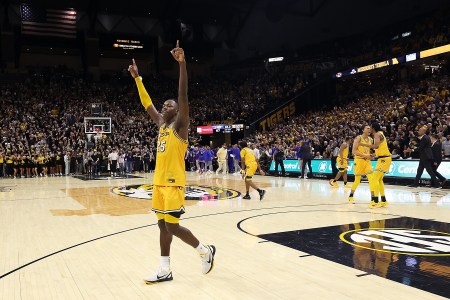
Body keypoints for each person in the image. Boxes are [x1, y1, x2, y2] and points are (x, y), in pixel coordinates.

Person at [129, 41, 215, 284]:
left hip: (174, 183)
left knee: (173, 227)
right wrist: (137, 79)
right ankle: (164, 268)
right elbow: (147, 103)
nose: (165, 105)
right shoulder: (161, 124)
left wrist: (182, 64)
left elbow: (183, 95)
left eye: (170, 105)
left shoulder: (180, 125)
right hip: (158, 184)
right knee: (162, 226)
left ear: (177, 112)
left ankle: (203, 250)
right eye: (164, 104)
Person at [359, 122, 391, 207]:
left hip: (384, 159)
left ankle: (375, 201)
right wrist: (370, 155)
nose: (369, 129)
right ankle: (383, 200)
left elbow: (376, 146)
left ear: (373, 128)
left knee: (374, 179)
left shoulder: (377, 134)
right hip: (383, 158)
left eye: (370, 127)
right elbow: (378, 150)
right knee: (379, 180)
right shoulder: (380, 134)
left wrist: (363, 144)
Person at [348, 125, 375, 206]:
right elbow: (353, 151)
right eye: (367, 128)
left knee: (371, 179)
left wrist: (372, 155)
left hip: (367, 161)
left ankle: (373, 199)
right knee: (357, 180)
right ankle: (351, 196)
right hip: (359, 160)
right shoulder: (358, 138)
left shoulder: (371, 139)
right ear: (363, 130)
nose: (369, 129)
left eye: (370, 128)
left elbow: (370, 150)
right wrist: (365, 155)